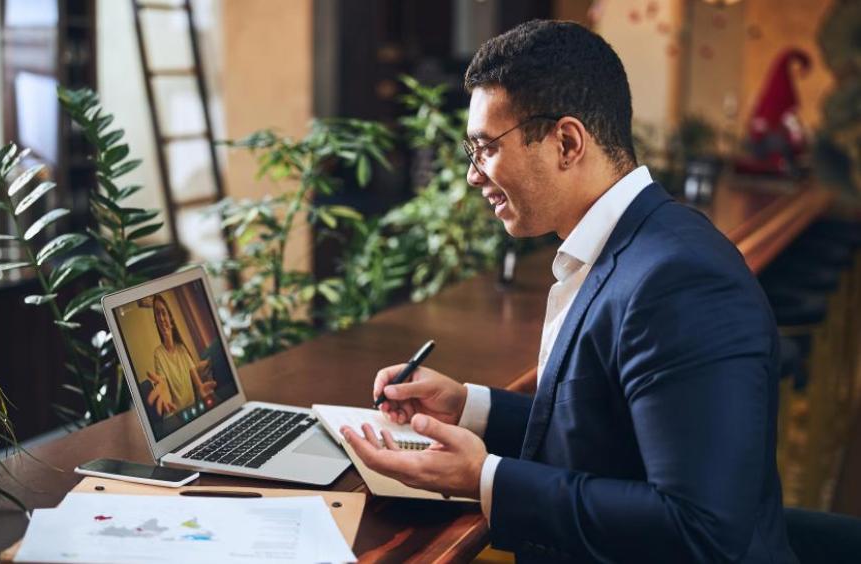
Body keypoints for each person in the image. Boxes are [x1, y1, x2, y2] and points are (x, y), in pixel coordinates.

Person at [340, 20, 796, 563]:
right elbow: (602, 435)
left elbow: (698, 528)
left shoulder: (682, 280)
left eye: (485, 147)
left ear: (566, 141)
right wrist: (467, 407)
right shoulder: (625, 244)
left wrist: (485, 477)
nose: (472, 175)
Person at [144, 294, 216, 417]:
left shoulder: (182, 349)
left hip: (196, 410)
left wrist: (202, 388)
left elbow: (198, 383)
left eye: (163, 313)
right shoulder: (158, 354)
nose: (161, 318)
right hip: (178, 415)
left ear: (171, 320)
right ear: (156, 322)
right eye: (157, 314)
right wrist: (164, 394)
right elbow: (162, 383)